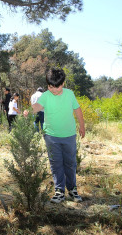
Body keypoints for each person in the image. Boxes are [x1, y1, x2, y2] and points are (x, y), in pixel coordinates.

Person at [31, 68, 85, 204]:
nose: (54, 90)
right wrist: (28, 110)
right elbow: (36, 107)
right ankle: (59, 191)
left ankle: (72, 190)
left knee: (70, 163)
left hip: (69, 136)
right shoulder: (46, 96)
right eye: (51, 87)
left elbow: (77, 110)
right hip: (51, 136)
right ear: (47, 85)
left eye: (58, 87)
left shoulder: (69, 94)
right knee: (56, 164)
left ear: (63, 83)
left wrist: (82, 126)